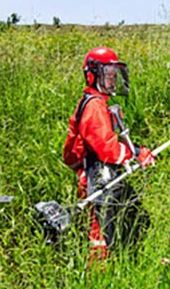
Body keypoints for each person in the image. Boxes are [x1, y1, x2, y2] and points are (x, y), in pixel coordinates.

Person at [62, 47, 155, 262]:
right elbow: (105, 147)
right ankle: (97, 284)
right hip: (96, 179)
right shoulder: (94, 106)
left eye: (115, 75)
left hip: (104, 175)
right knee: (100, 237)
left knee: (134, 221)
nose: (113, 80)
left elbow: (113, 142)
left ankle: (127, 266)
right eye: (108, 75)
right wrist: (136, 154)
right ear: (93, 75)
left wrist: (135, 150)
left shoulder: (102, 104)